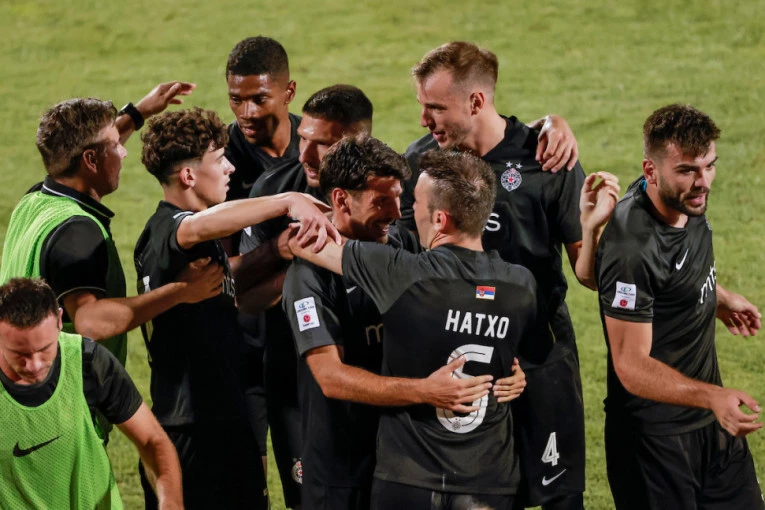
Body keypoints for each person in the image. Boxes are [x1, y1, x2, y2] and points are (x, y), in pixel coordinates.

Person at [399, 41, 621, 510]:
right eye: (422, 106)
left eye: (435, 108)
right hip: (463, 362)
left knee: (561, 496)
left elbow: (589, 274)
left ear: (476, 101)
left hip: (540, 354)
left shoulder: (547, 160)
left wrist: (593, 228)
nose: (424, 120)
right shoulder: (423, 166)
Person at [282, 135, 528, 510]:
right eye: (381, 201)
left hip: (404, 460)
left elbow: (457, 319)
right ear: (341, 200)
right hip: (342, 467)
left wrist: (505, 367)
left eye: (399, 198)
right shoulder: (309, 276)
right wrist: (424, 391)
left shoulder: (402, 247)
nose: (397, 213)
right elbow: (330, 378)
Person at [134, 107, 336, 509]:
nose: (230, 168)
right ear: (188, 176)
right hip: (194, 427)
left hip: (221, 415)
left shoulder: (194, 241)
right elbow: (198, 226)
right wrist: (288, 200)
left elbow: (234, 296)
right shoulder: (168, 228)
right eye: (219, 160)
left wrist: (288, 264)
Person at [596, 104, 764, 510]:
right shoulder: (632, 249)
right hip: (655, 444)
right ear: (650, 171)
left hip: (711, 426)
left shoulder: (684, 200)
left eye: (709, 166)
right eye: (687, 170)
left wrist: (715, 296)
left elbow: (670, 274)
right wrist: (712, 398)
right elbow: (630, 365)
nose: (702, 182)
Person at [0, 84, 216, 369]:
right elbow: (91, 321)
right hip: (68, 390)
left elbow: (87, 153)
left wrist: (137, 115)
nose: (123, 153)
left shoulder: (36, 199)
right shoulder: (77, 232)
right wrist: (181, 290)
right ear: (90, 160)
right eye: (116, 145)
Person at [0, 278, 183, 510]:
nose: (34, 365)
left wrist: (170, 501)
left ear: (59, 320)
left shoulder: (89, 362)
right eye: (20, 354)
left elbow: (152, 440)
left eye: (45, 349)